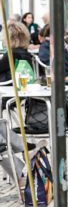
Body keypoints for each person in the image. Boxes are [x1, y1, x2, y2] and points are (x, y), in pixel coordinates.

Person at [0, 22, 34, 187]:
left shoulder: (11, 55)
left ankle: (21, 170)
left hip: (7, 95)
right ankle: (25, 149)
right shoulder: (27, 54)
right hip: (17, 96)